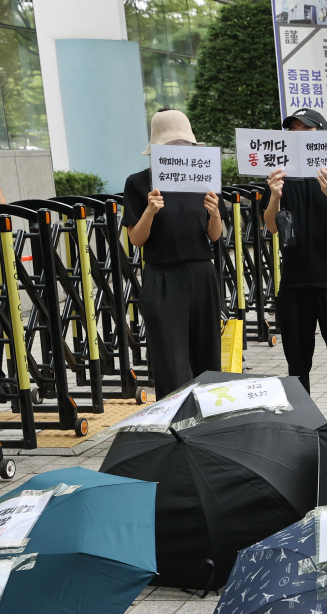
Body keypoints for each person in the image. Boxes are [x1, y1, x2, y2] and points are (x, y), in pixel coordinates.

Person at [263, 107, 327, 414]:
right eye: (293, 131)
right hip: (294, 283)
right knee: (297, 362)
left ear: (320, 135)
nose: (299, 136)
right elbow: (271, 225)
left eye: (306, 131)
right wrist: (275, 195)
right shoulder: (281, 174)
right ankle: (302, 423)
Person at [122, 108, 222, 398]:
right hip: (163, 276)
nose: (179, 151)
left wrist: (214, 213)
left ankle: (207, 421)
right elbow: (136, 239)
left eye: (184, 146)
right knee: (170, 359)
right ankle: (175, 427)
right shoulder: (138, 183)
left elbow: (214, 235)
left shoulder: (203, 176)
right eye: (171, 147)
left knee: (207, 354)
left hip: (202, 274)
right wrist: (151, 211)